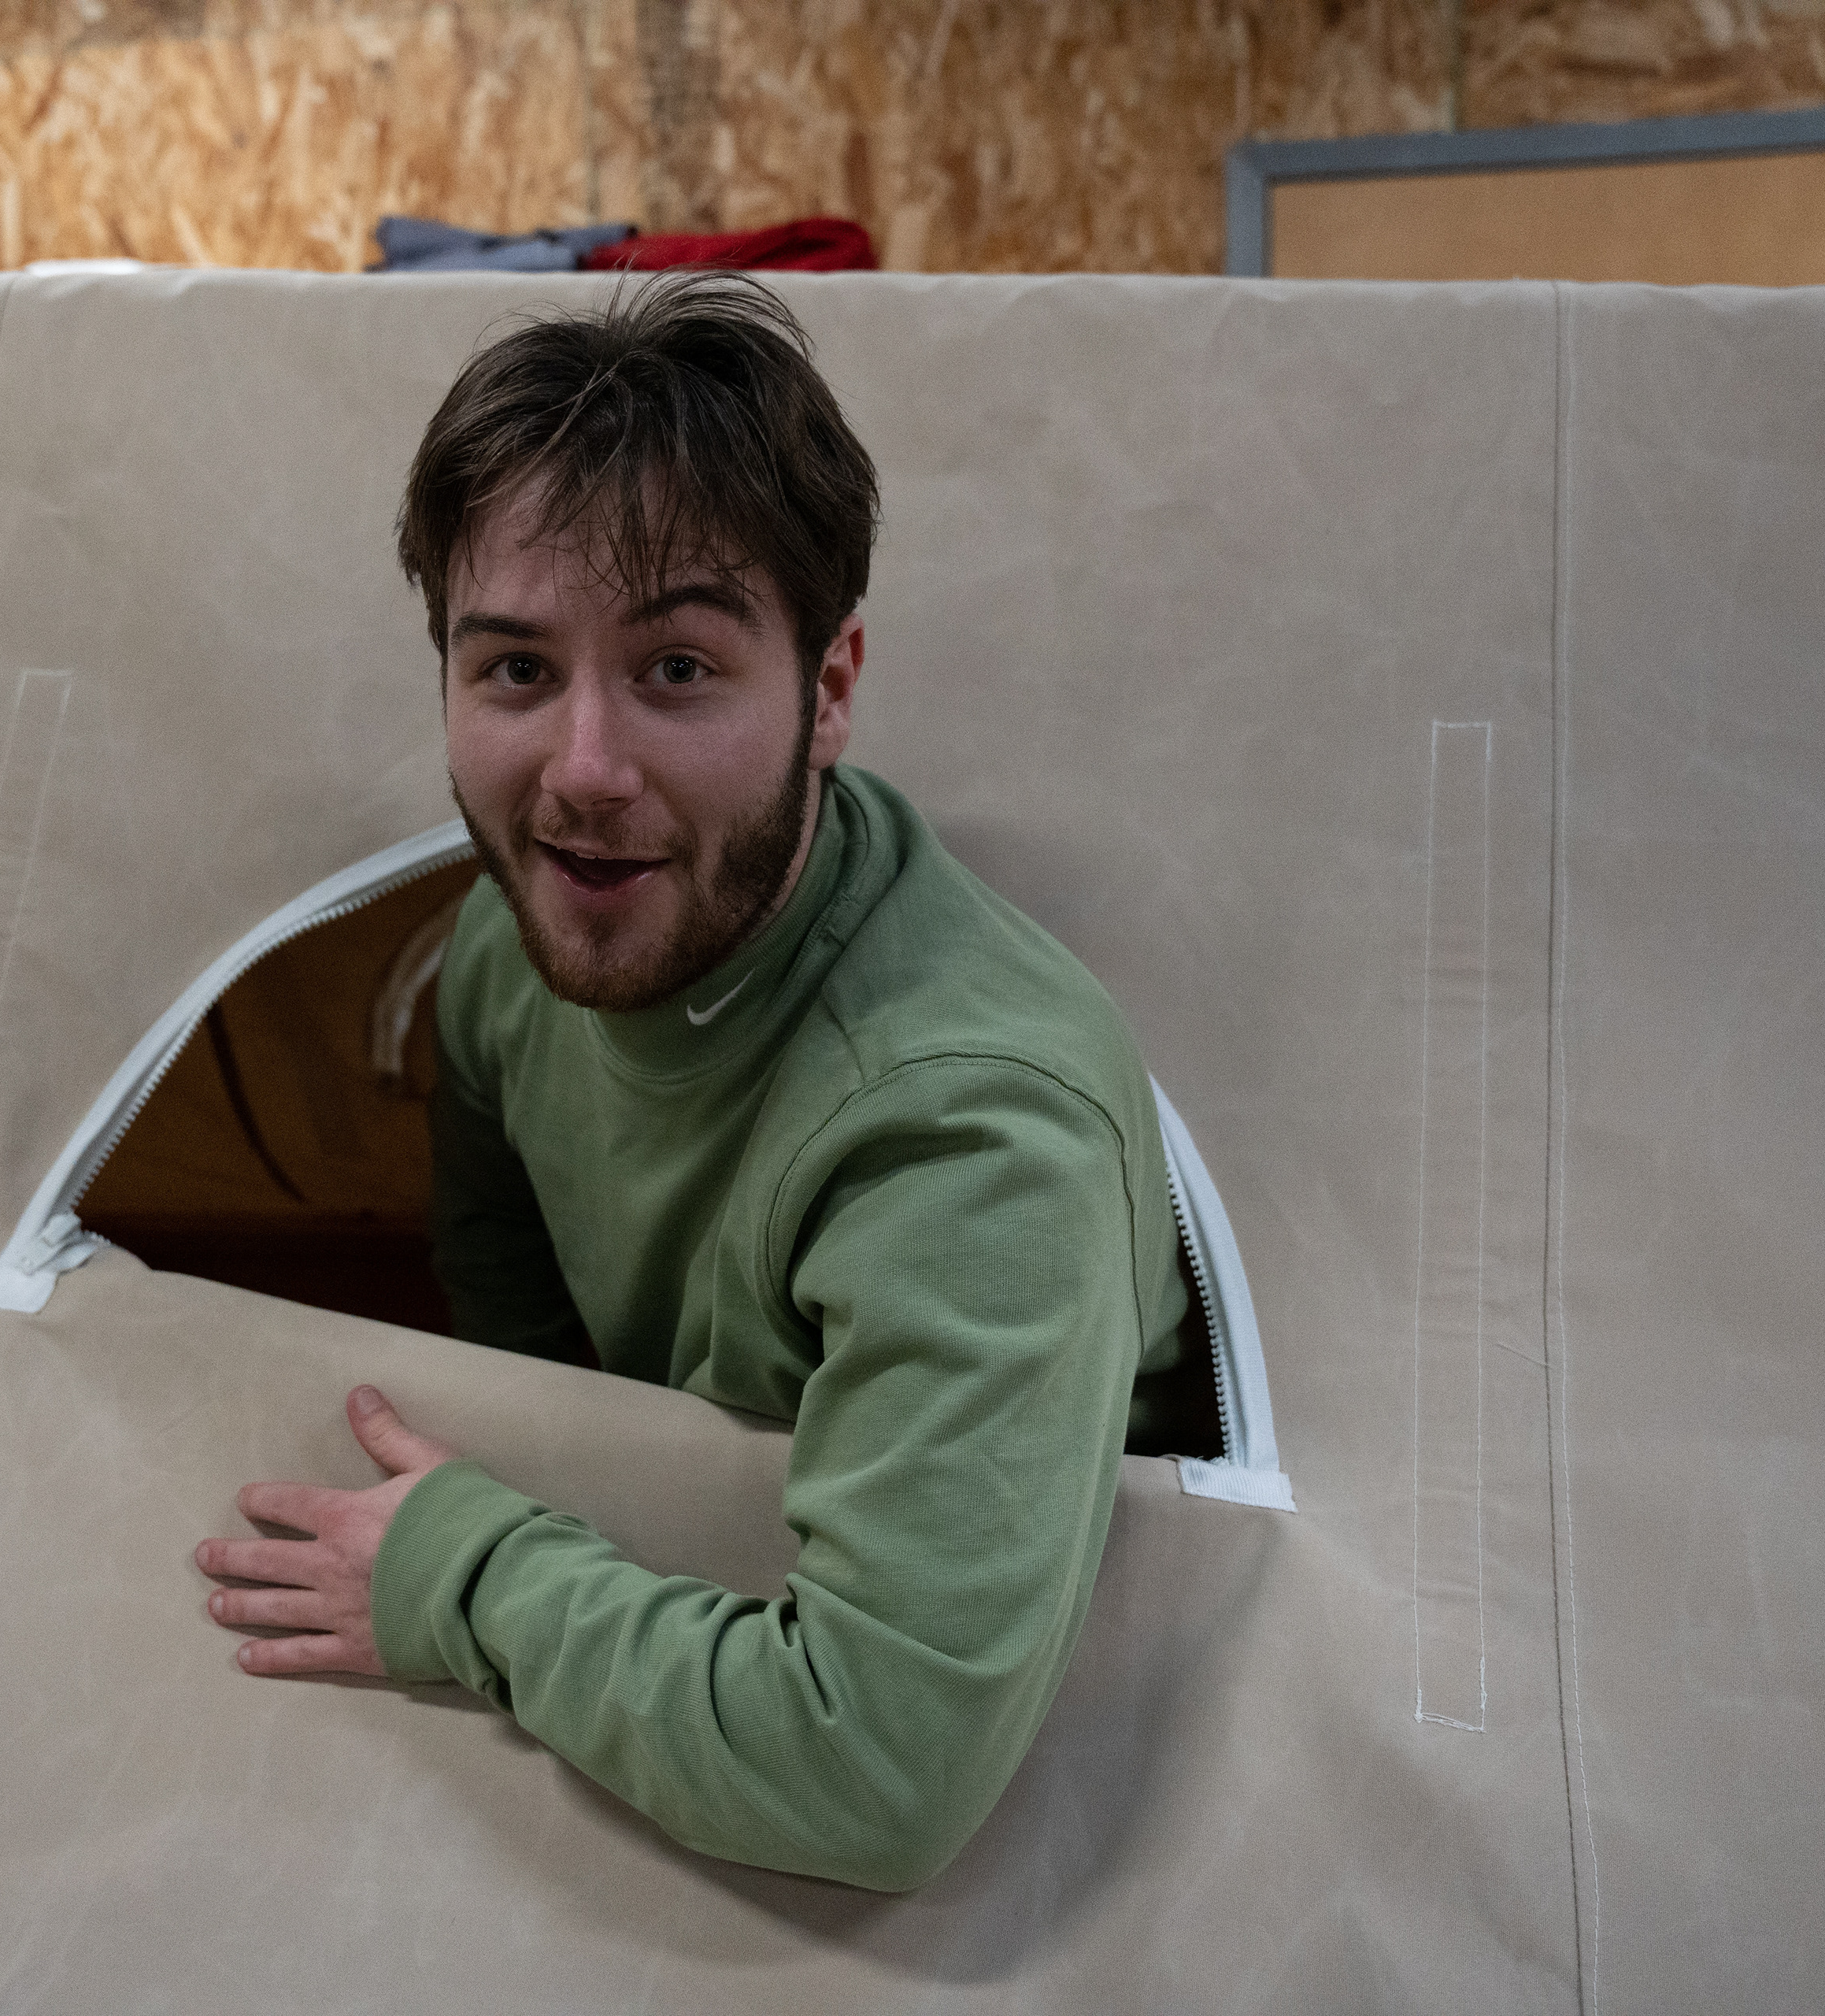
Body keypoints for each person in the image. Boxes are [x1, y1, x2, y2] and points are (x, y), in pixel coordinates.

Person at [192, 272, 1189, 1893]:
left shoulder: (974, 1138)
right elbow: (502, 1270)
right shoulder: (510, 949)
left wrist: (476, 1574)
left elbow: (873, 1770)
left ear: (830, 689)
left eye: (675, 670)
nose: (584, 772)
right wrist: (558, 1473)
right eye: (517, 671)